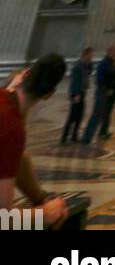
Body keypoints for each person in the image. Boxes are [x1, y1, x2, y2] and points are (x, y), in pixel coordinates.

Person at [0, 54, 69, 226]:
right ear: (49, 94)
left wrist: (41, 199)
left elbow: (18, 159)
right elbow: (4, 217)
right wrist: (45, 212)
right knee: (48, 218)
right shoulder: (11, 127)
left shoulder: (5, 100)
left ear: (25, 74)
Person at [81, 45, 115, 144]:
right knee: (96, 115)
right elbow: (100, 80)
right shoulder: (104, 63)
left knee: (106, 114)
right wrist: (107, 89)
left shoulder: (114, 63)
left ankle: (102, 132)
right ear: (109, 52)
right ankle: (86, 139)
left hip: (111, 93)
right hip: (103, 93)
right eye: (114, 52)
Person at [60, 47, 92, 145]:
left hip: (82, 93)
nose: (91, 58)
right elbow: (75, 82)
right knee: (72, 117)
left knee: (79, 116)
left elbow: (88, 73)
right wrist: (76, 94)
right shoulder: (77, 66)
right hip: (76, 94)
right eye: (90, 56)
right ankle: (64, 138)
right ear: (85, 55)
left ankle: (74, 136)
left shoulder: (85, 66)